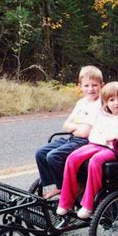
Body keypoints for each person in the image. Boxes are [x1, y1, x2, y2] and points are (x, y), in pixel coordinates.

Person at [56, 81, 118, 219]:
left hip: (114, 150)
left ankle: (88, 205)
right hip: (97, 144)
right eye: (112, 100)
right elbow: (93, 134)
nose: (116, 103)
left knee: (95, 161)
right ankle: (66, 202)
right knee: (72, 158)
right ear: (105, 102)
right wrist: (104, 139)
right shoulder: (102, 115)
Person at [35, 66, 104, 200]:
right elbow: (66, 125)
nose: (90, 89)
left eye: (95, 85)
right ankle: (58, 184)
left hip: (87, 142)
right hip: (73, 138)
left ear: (102, 86)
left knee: (53, 156)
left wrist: (75, 127)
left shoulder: (100, 104)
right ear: (80, 86)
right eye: (86, 85)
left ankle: (69, 187)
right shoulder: (81, 103)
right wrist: (77, 127)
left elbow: (85, 133)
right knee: (41, 153)